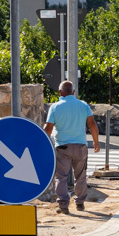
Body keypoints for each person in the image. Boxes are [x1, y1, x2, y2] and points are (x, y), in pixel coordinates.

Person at [42, 80, 99, 214]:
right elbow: (92, 124)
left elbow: (48, 128)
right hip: (80, 147)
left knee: (61, 177)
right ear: (73, 92)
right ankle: (80, 203)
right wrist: (96, 142)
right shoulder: (83, 105)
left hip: (63, 147)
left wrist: (43, 145)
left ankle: (63, 205)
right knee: (80, 176)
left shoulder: (55, 107)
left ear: (60, 92)